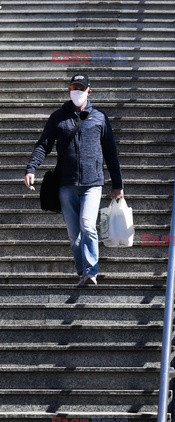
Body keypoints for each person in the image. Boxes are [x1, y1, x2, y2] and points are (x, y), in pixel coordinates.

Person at [24, 73, 124, 286]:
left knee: (87, 225)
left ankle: (91, 271)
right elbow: (44, 144)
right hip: (66, 184)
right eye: (73, 88)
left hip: (92, 183)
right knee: (74, 234)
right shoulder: (58, 117)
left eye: (80, 88)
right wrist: (31, 167)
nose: (76, 91)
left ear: (89, 90)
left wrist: (117, 184)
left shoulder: (99, 117)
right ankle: (82, 272)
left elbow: (110, 152)